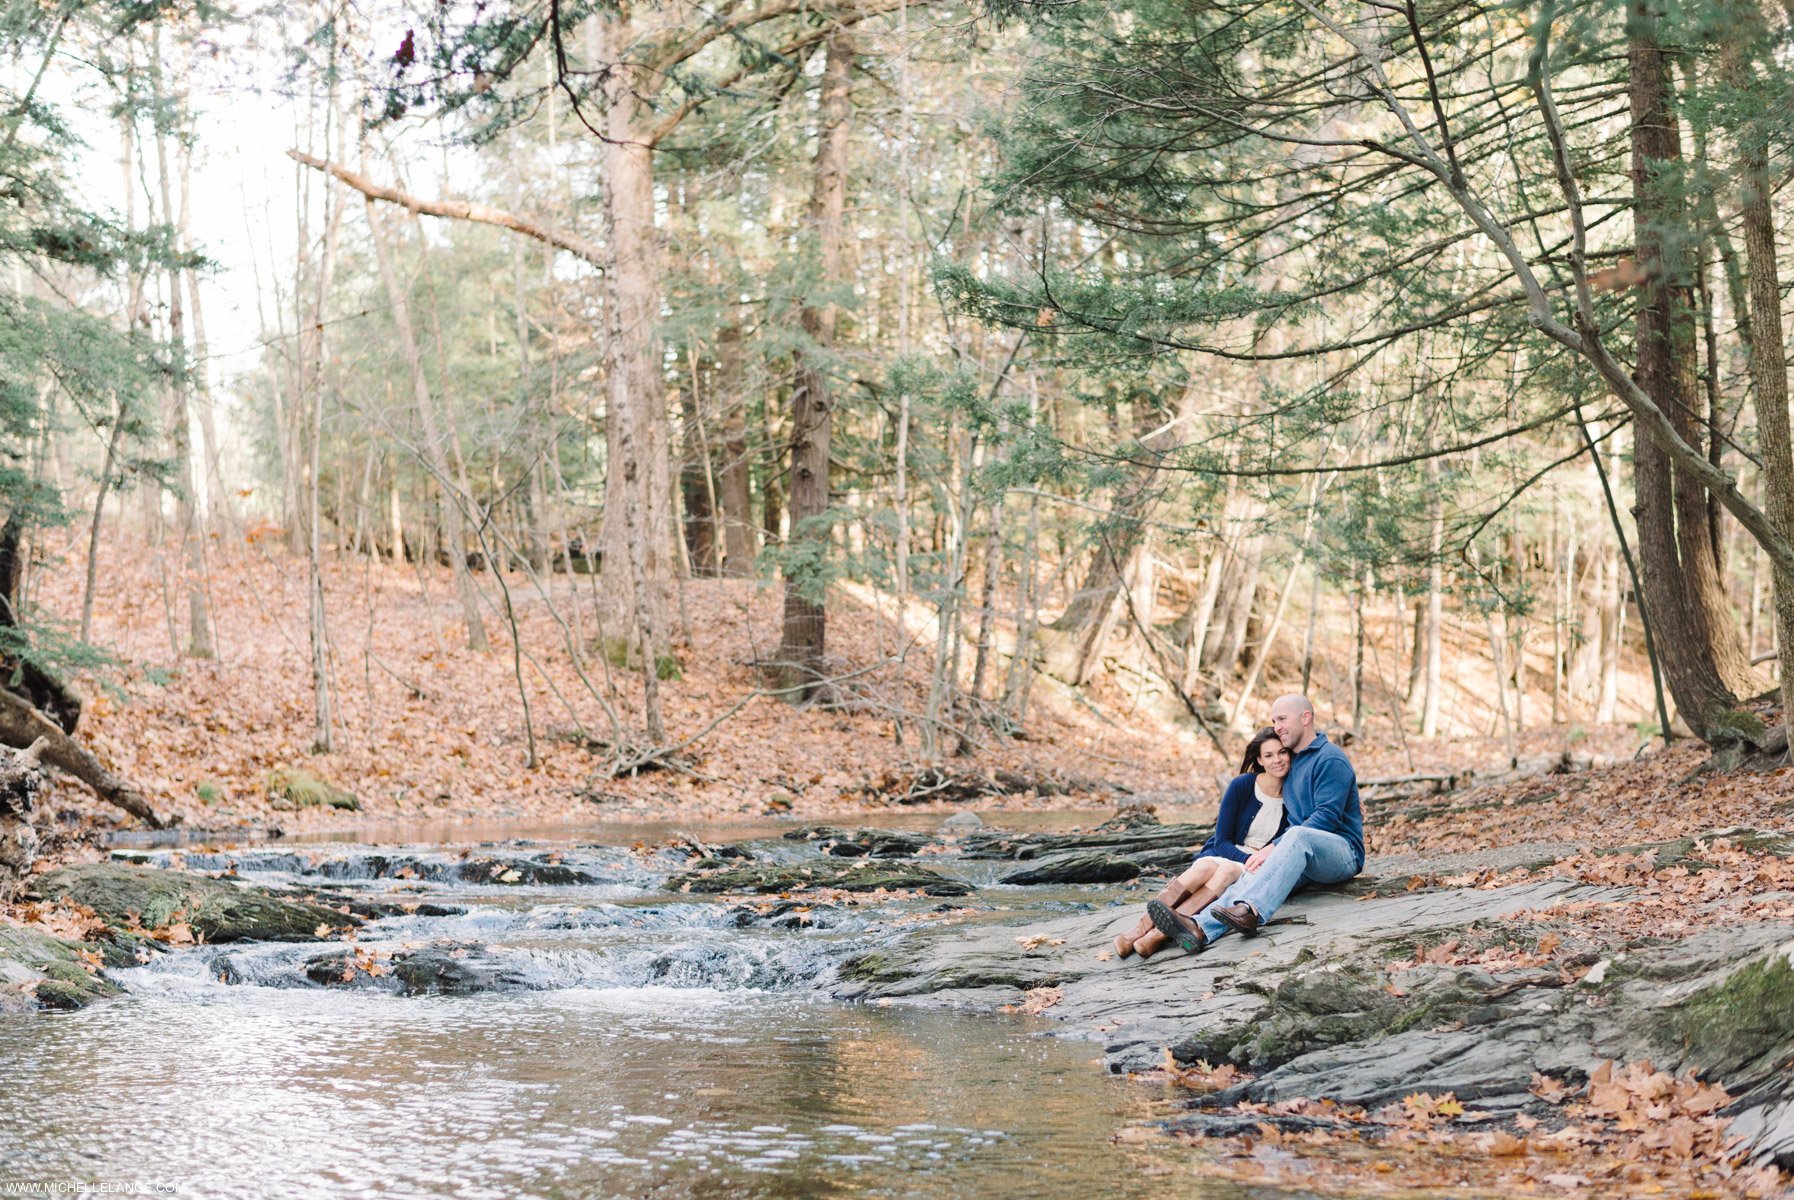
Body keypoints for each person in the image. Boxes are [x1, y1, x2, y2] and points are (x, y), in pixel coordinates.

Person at [1148, 693, 1364, 954]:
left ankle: (1250, 910)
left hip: (1341, 854)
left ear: (1306, 718)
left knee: (1295, 836)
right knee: (1252, 875)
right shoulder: (1291, 761)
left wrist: (1272, 848)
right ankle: (1199, 929)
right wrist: (1267, 854)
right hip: (1302, 854)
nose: (1277, 727)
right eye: (1274, 720)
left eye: (1283, 718)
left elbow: (1327, 818)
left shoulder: (1330, 759)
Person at [1114, 728, 1290, 959]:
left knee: (1226, 871)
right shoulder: (1243, 785)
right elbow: (1221, 840)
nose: (1277, 760)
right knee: (1206, 867)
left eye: (1282, 752)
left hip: (1252, 865)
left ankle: (1157, 936)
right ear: (1259, 760)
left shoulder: (1295, 794)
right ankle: (1137, 931)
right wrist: (1247, 859)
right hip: (1230, 853)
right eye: (1268, 755)